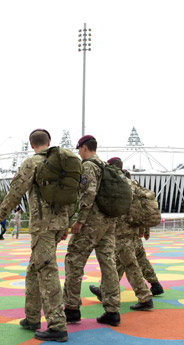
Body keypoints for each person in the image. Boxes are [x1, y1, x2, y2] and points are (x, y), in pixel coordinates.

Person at [0, 129, 70, 342]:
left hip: (43, 225)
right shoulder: (62, 163)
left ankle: (57, 324)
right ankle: (32, 317)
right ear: (49, 142)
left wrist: (0, 215)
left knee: (46, 270)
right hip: (58, 223)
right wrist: (67, 224)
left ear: (31, 144)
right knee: (34, 268)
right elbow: (71, 195)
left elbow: (16, 191)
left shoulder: (32, 162)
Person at [63, 135, 121, 327]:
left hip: (92, 222)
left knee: (74, 260)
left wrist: (80, 220)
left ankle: (71, 308)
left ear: (85, 148)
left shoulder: (88, 166)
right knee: (108, 264)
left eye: (79, 149)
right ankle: (112, 311)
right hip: (108, 221)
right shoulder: (106, 166)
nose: (78, 152)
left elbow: (89, 192)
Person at [89, 157, 154, 311]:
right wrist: (144, 227)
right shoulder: (133, 183)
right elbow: (144, 206)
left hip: (120, 230)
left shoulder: (116, 183)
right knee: (120, 262)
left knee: (129, 263)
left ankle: (145, 297)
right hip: (131, 229)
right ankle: (104, 290)